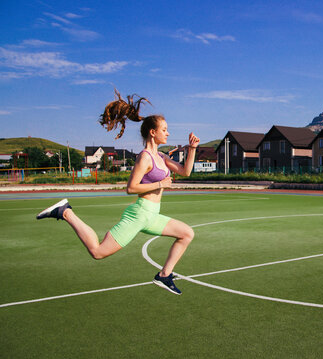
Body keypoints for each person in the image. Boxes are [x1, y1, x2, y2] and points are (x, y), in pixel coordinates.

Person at [36, 91, 200, 295]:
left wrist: (192, 148)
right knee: (97, 251)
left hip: (152, 215)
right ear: (152, 132)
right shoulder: (145, 158)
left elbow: (185, 171)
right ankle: (66, 212)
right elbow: (131, 188)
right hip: (140, 214)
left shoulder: (161, 157)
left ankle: (164, 275)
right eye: (164, 129)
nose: (167, 133)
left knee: (186, 233)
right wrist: (160, 184)